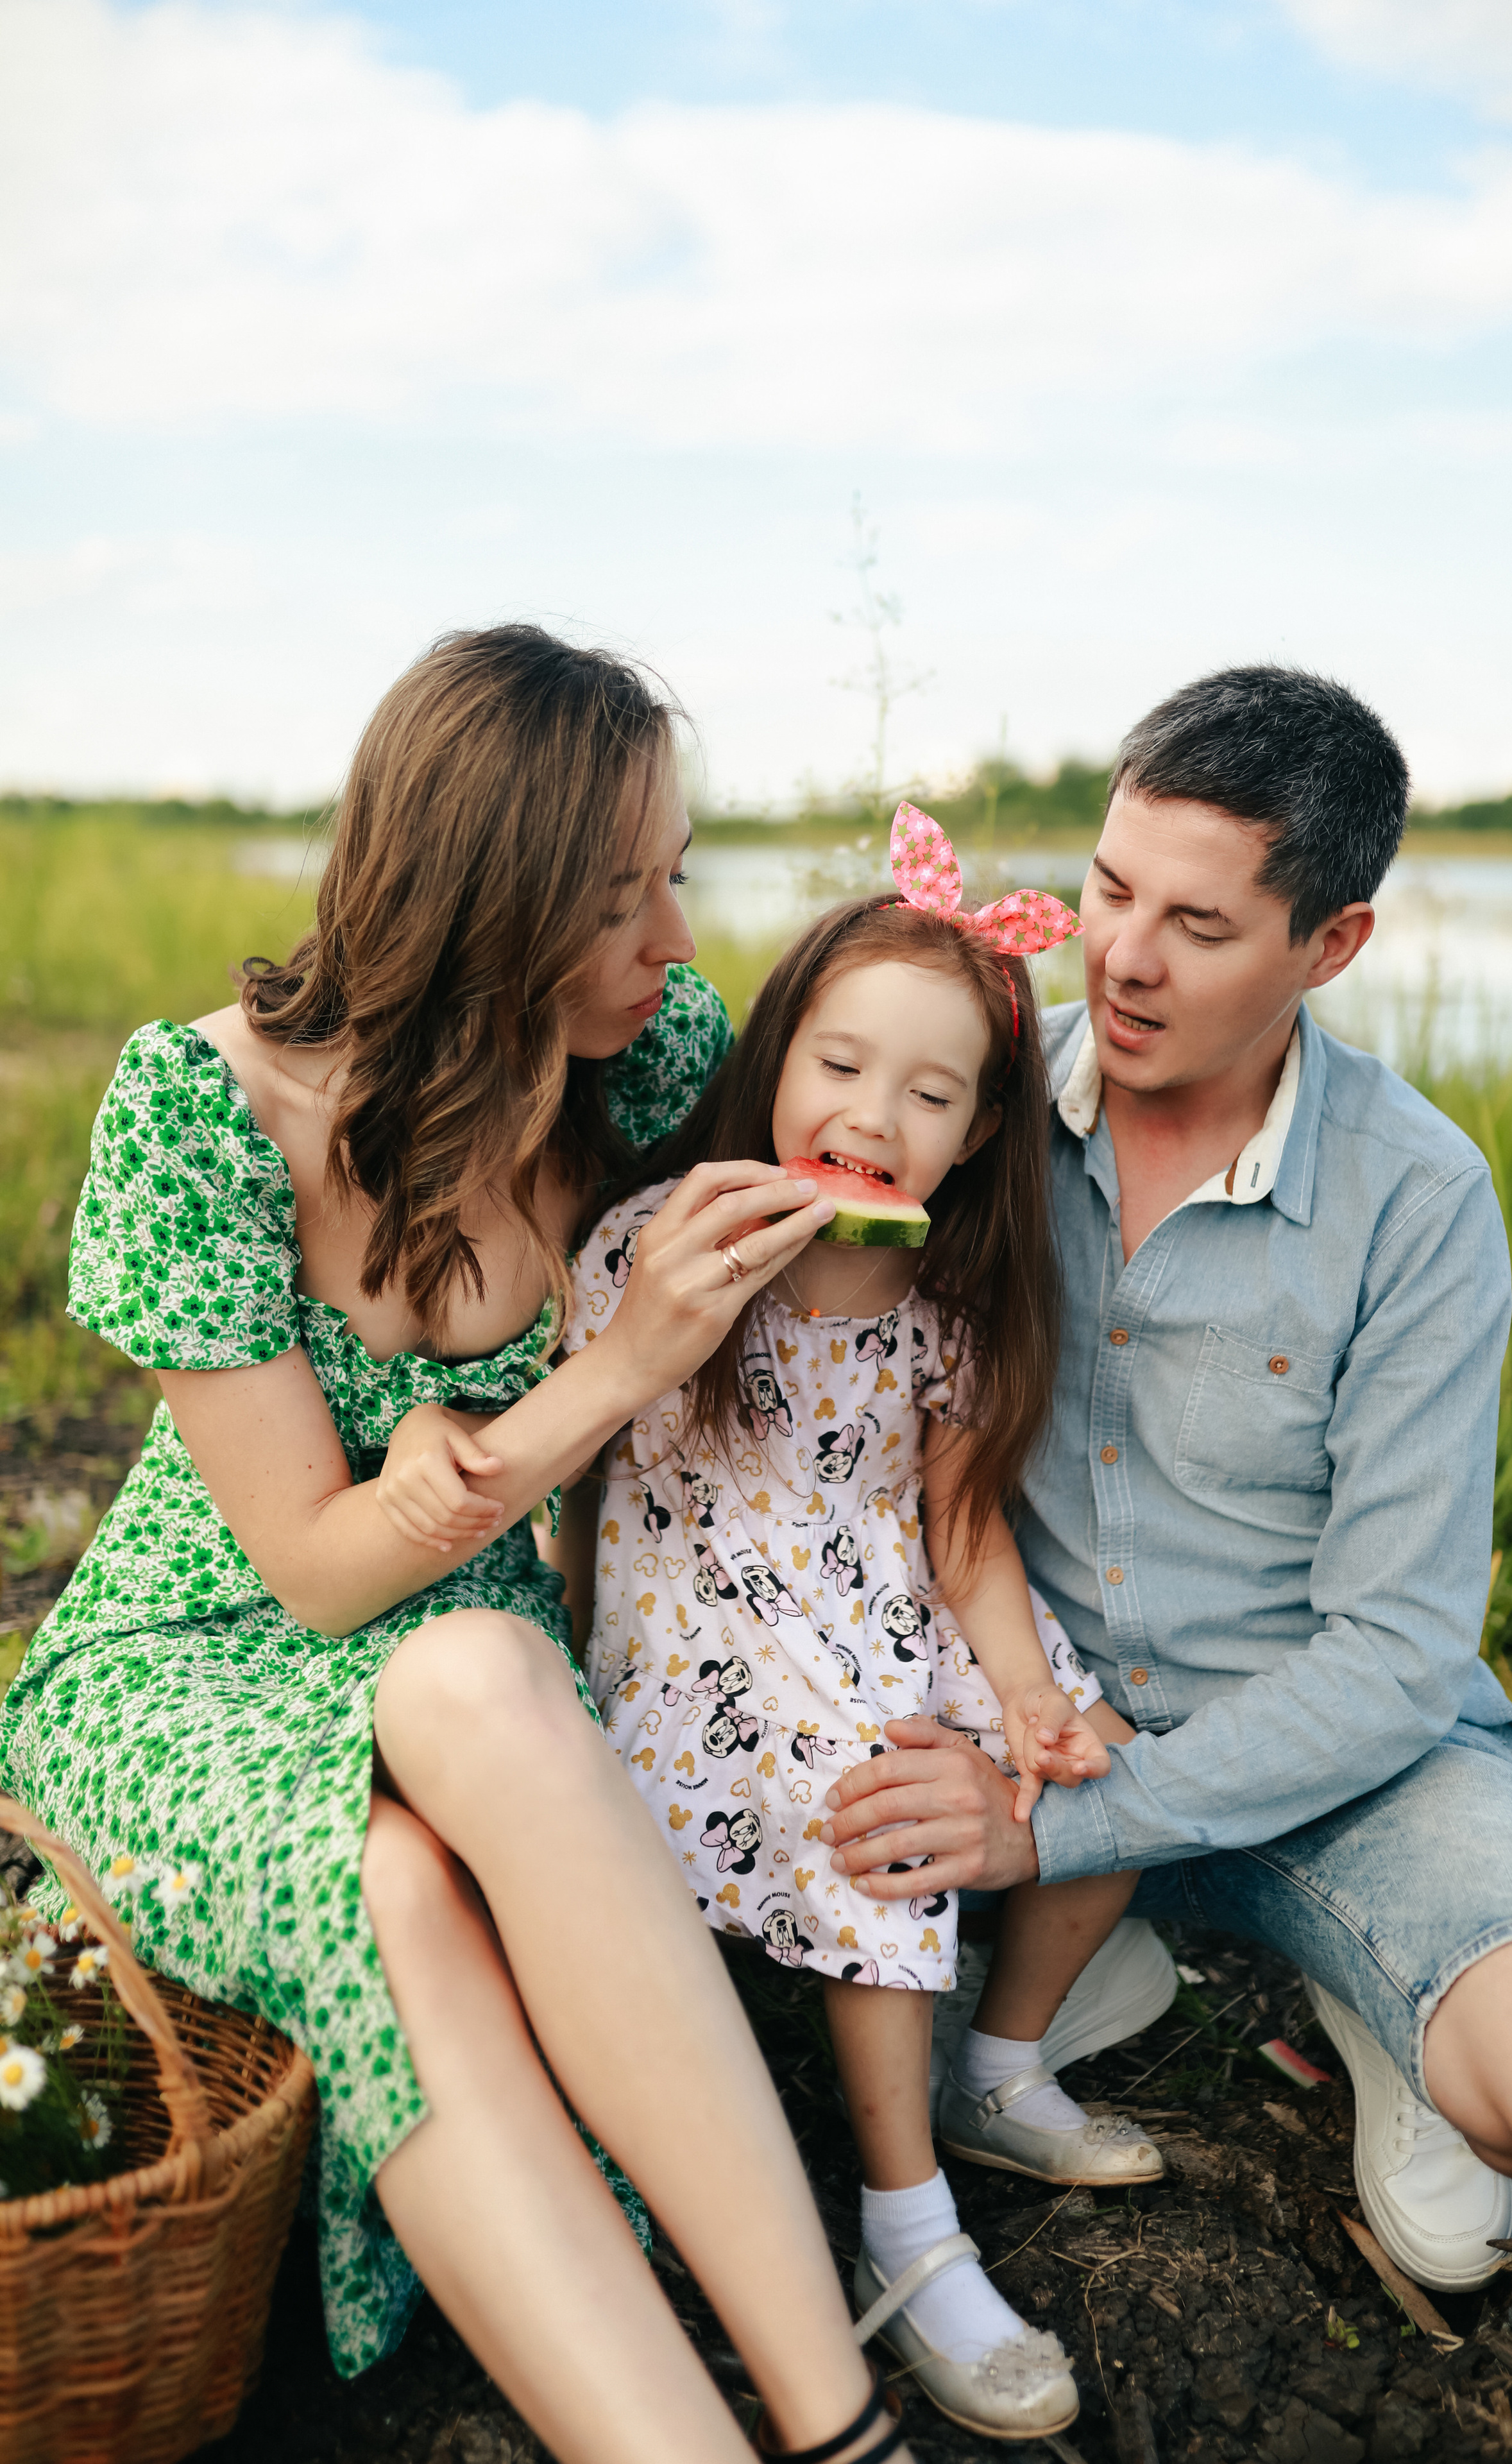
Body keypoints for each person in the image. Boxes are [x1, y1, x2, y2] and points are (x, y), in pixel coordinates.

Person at [0, 626, 912, 2464]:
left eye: (675, 877)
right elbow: (318, 1569)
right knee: (408, 1873)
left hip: (467, 1652)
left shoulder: (642, 1063)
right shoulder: (205, 1115)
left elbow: (875, 1182)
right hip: (194, 1657)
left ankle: (833, 2411)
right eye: (622, 897)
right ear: (492, 903)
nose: (675, 939)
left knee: (482, 1676)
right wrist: (611, 1369)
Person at [816, 666, 1512, 2294]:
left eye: (1197, 925)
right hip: (1028, 1716)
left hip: (1342, 1770)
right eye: (1110, 888)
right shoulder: (961, 1100)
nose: (1121, 955)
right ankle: (1091, 1962)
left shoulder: (1416, 1197)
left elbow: (1394, 1655)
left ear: (1329, 945)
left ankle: (1386, 2000)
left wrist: (1064, 1830)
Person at [384, 814, 1161, 2446]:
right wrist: (451, 1452)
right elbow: (569, 1448)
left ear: (978, 1133)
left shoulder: (948, 1308)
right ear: (775, 1058)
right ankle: (906, 2223)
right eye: (840, 1066)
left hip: (883, 1591)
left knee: (1103, 1770)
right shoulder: (656, 1242)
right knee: (881, 1792)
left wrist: (1028, 1694)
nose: (870, 1120)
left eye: (929, 1096)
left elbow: (960, 1531)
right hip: (705, 1617)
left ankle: (995, 2065)